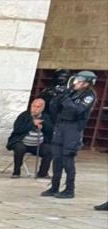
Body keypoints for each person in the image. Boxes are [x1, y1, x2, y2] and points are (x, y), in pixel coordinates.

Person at [41, 70, 97, 199]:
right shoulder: (71, 92)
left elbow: (77, 110)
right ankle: (54, 187)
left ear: (87, 83)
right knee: (57, 157)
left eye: (80, 81)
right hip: (61, 126)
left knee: (67, 158)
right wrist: (57, 98)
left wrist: (65, 99)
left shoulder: (88, 95)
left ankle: (69, 189)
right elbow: (55, 109)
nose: (76, 83)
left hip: (73, 128)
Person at [6, 97, 53, 178]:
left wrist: (43, 125)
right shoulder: (24, 116)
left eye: (38, 107)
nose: (35, 109)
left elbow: (51, 130)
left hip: (38, 144)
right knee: (19, 148)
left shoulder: (45, 117)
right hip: (22, 142)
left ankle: (42, 173)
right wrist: (32, 123)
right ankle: (16, 172)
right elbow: (17, 129)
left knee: (50, 150)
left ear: (42, 108)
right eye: (33, 106)